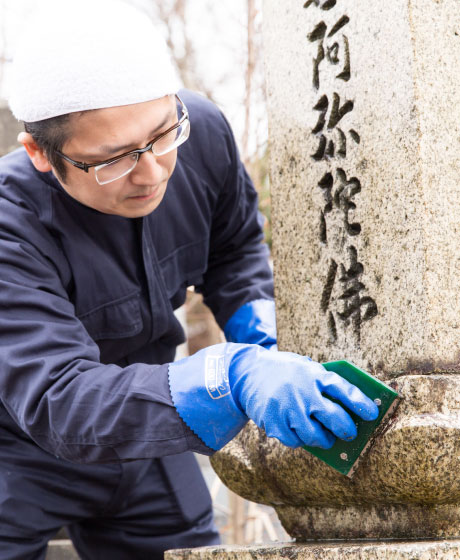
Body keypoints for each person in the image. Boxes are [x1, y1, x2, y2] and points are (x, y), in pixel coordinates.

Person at [0, 1, 378, 558]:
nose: (153, 173)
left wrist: (259, 324)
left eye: (160, 135)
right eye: (113, 160)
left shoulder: (199, 135)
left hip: (152, 429)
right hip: (21, 449)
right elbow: (62, 399)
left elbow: (234, 248)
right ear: (39, 152)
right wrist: (229, 377)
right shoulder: (12, 228)